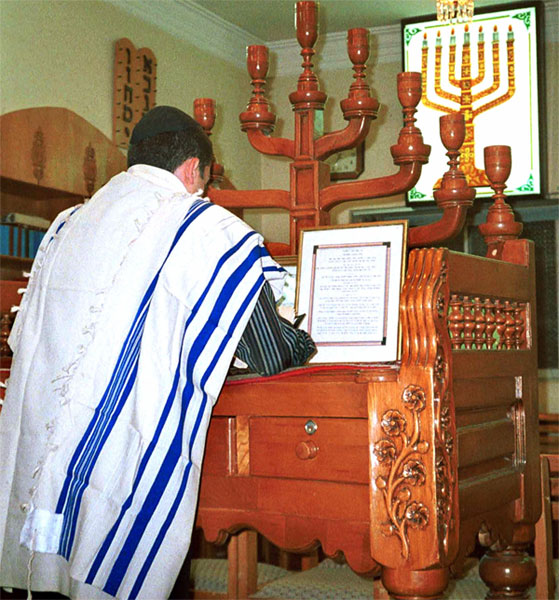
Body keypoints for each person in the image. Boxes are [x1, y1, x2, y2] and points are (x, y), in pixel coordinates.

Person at [0, 106, 315, 600]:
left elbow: (23, 339)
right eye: (205, 183)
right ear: (193, 170)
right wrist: (306, 334)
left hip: (43, 474)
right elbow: (271, 353)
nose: (205, 193)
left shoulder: (66, 225)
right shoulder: (202, 226)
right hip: (115, 466)